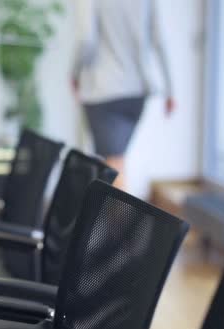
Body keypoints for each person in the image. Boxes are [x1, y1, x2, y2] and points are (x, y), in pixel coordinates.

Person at [71, 0, 174, 189]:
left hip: (104, 91)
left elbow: (86, 40)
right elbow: (159, 41)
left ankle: (122, 217)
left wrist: (74, 74)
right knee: (116, 160)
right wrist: (170, 90)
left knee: (113, 164)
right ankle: (106, 215)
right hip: (137, 93)